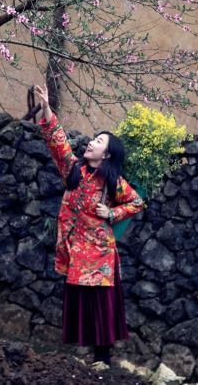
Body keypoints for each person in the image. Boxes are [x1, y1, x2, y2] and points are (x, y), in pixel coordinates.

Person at [32, 84, 144, 366]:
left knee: (101, 307)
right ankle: (94, 360)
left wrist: (111, 214)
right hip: (76, 250)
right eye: (94, 138)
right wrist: (46, 109)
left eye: (99, 141)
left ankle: (103, 360)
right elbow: (58, 144)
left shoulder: (111, 181)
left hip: (100, 254)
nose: (92, 142)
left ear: (106, 155)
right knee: (83, 304)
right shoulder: (73, 171)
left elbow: (136, 203)